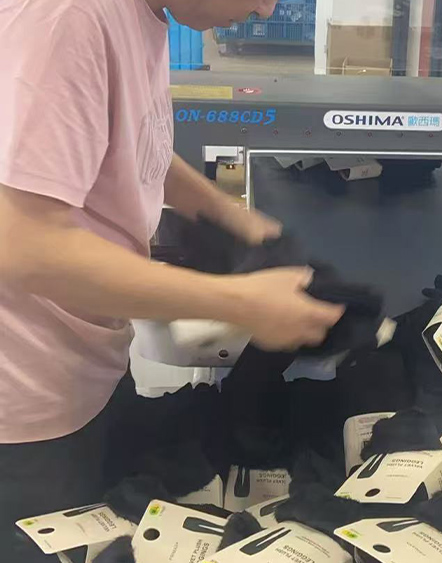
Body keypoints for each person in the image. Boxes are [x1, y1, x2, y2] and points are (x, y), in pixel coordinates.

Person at [0, 0, 344, 560]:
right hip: (24, 409)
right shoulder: (68, 19)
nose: (267, 9)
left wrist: (222, 210)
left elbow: (130, 135)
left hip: (84, 361)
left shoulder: (140, 13)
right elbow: (24, 245)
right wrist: (238, 302)